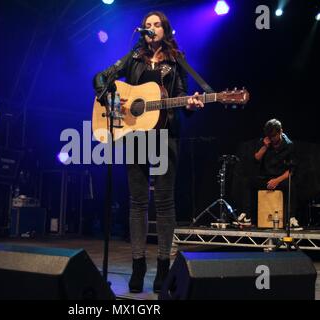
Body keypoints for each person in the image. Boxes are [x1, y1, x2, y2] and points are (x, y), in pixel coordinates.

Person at [93, 11, 204, 293]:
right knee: (138, 202)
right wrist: (113, 103)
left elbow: (182, 94)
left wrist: (189, 105)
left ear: (166, 30)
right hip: (134, 135)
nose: (151, 28)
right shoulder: (133, 57)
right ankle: (138, 264)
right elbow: (101, 77)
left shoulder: (177, 60)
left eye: (157, 25)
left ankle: (164, 266)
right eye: (148, 24)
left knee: (165, 203)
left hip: (166, 136)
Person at [237, 118, 301, 229]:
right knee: (247, 182)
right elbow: (257, 158)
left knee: (291, 185)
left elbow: (291, 171)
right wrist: (265, 147)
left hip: (281, 179)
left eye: (274, 136)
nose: (272, 139)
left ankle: (291, 218)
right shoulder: (265, 141)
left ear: (280, 131)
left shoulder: (289, 145)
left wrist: (277, 181)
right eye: (270, 136)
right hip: (266, 178)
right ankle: (246, 216)